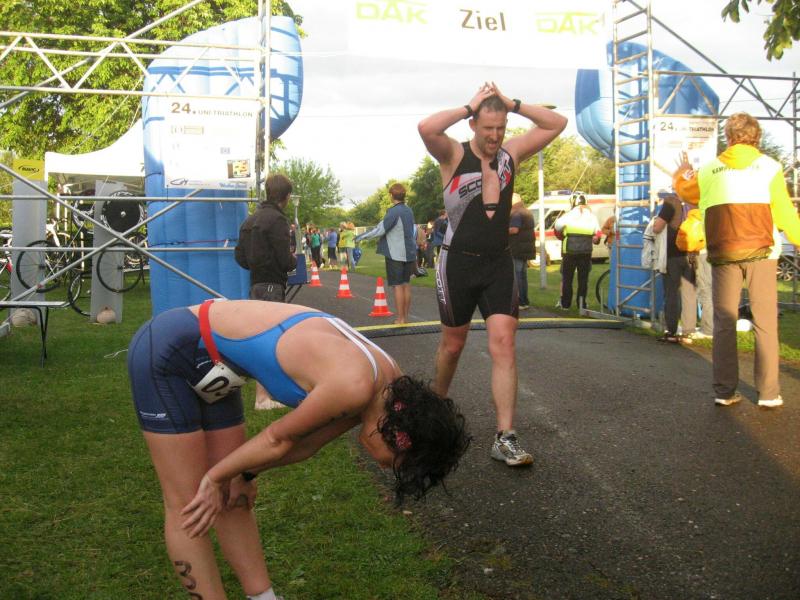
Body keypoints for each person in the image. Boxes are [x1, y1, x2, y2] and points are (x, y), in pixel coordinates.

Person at [128, 299, 471, 600]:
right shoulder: (355, 385)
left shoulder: (386, 390)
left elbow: (306, 443)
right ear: (401, 438)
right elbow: (277, 439)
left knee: (235, 494)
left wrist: (243, 474)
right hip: (172, 349)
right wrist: (215, 476)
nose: (384, 468)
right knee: (188, 502)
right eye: (396, 465)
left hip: (217, 363)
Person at [418, 81, 567, 466]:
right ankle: (435, 411)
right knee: (453, 346)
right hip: (457, 263)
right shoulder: (453, 153)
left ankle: (505, 436)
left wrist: (515, 104)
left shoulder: (510, 154)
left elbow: (557, 123)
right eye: (487, 128)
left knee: (504, 343)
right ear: (473, 125)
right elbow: (426, 128)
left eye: (500, 128)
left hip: (497, 263)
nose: (495, 136)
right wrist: (469, 106)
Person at [673, 112, 800, 407]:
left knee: (724, 322)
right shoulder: (770, 167)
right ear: (757, 137)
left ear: (728, 137)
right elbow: (785, 215)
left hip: (723, 253)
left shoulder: (709, 169)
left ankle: (724, 391)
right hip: (762, 253)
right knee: (765, 322)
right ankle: (769, 393)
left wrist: (682, 171)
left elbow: (684, 190)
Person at [355, 183, 418, 324]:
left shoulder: (394, 211)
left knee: (398, 286)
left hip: (396, 254)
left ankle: (400, 318)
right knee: (406, 284)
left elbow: (380, 230)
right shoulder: (409, 210)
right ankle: (405, 318)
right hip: (410, 253)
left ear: (391, 195)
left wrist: (361, 237)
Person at [235, 173, 296, 303]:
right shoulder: (278, 220)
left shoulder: (249, 220)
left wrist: (255, 266)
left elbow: (239, 257)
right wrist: (294, 261)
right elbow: (284, 259)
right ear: (287, 196)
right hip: (273, 287)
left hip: (255, 285)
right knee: (274, 317)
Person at [651, 190, 697, 343]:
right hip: (692, 254)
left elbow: (657, 227)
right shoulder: (695, 201)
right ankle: (689, 331)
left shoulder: (671, 201)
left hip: (672, 254)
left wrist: (654, 222)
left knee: (671, 293)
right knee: (689, 293)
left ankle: (671, 330)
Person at [553, 193, 601, 310]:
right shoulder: (592, 217)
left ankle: (565, 304)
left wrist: (563, 236)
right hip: (586, 251)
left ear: (573, 202)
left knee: (567, 279)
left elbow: (557, 229)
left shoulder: (568, 216)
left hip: (569, 251)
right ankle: (581, 304)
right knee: (583, 280)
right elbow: (598, 234)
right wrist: (595, 239)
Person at [508, 193, 535, 309]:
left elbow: (514, 229)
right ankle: (525, 300)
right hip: (526, 248)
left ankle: (520, 301)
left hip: (517, 248)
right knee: (523, 275)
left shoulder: (516, 213)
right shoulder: (527, 212)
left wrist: (502, 230)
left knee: (517, 275)